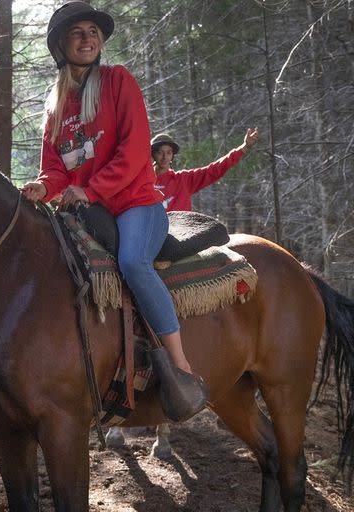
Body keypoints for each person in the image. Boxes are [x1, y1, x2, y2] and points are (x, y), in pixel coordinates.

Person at [20, 1, 207, 421]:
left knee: (133, 263)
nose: (87, 38)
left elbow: (135, 149)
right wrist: (43, 186)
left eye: (93, 32)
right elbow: (55, 169)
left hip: (137, 203)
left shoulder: (117, 81)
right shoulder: (55, 107)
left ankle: (180, 366)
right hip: (90, 208)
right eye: (77, 32)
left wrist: (89, 190)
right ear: (61, 45)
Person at [152, 129, 259, 211]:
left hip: (180, 235)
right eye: (160, 152)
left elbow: (213, 170)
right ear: (153, 154)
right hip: (150, 235)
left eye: (169, 153)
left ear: (172, 156)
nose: (165, 157)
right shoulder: (144, 181)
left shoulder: (184, 179)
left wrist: (244, 148)